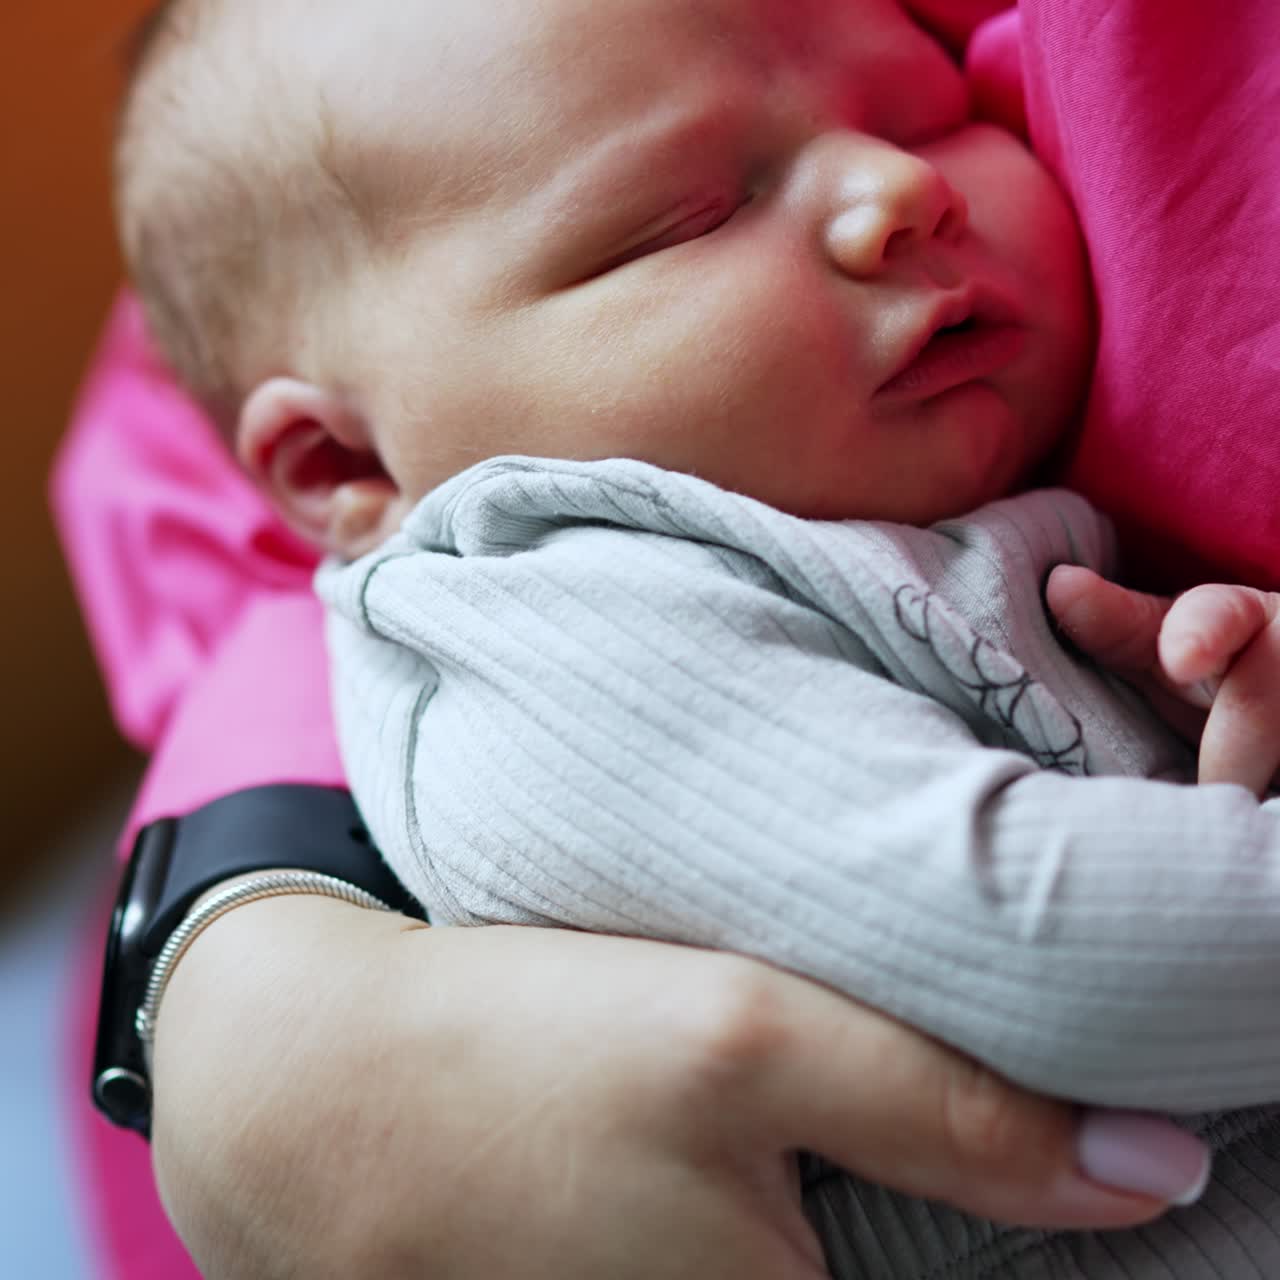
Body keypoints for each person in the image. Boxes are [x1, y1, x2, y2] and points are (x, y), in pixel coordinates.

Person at [104, 0, 1280, 1276]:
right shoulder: (566, 627)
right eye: (691, 213)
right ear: (341, 458)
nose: (899, 188)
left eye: (928, 111)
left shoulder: (859, 520)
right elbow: (1065, 942)